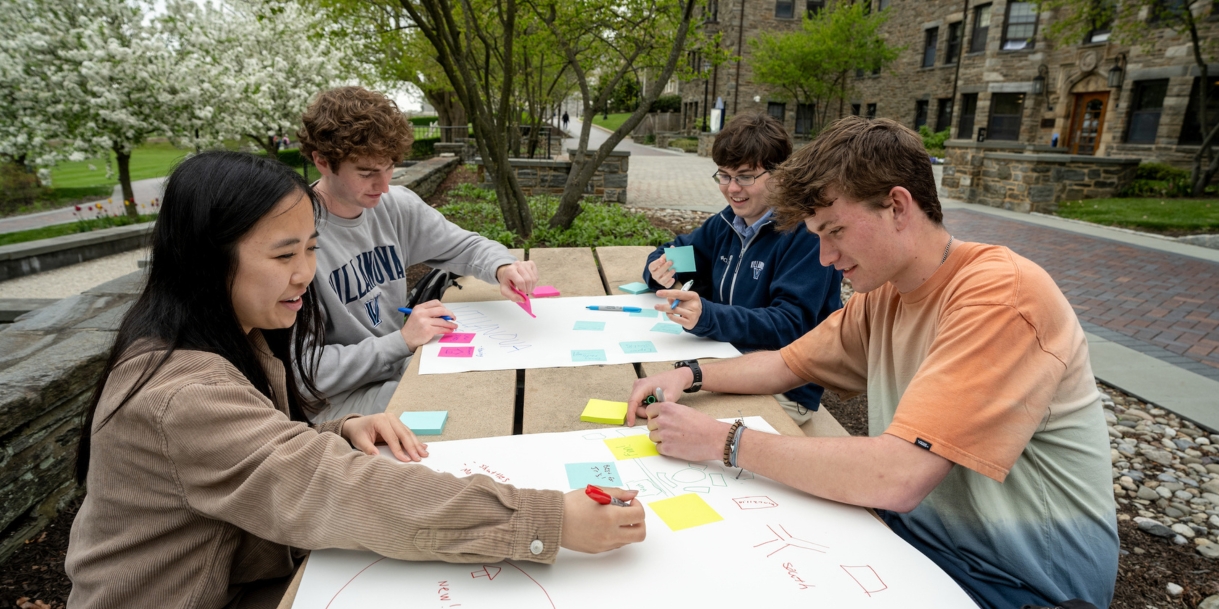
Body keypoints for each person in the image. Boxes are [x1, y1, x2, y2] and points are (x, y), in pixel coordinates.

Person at [66, 151, 644, 609]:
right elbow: (333, 488)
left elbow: (268, 447)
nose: (304, 275)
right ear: (206, 259)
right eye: (283, 255)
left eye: (312, 249)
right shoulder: (182, 393)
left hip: (242, 569)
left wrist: (340, 430)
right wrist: (548, 520)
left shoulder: (233, 335)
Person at [627, 117, 1117, 608]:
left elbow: (897, 477)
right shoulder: (885, 292)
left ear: (897, 206)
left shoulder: (1000, 298)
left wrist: (723, 440)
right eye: (817, 234)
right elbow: (787, 365)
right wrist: (688, 374)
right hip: (914, 547)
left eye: (835, 230)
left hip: (1015, 585)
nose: (823, 257)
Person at [298, 86, 539, 420]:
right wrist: (401, 341)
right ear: (322, 161)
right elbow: (302, 374)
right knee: (468, 408)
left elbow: (464, 245)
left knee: (493, 384)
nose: (382, 186)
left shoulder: (394, 205)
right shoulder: (294, 237)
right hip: (339, 404)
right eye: (367, 173)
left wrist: (502, 267)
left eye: (389, 168)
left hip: (398, 367)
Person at [641, 112, 841, 426]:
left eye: (745, 176)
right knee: (649, 394)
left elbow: (790, 325)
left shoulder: (805, 234)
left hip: (788, 389)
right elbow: (678, 253)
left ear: (780, 174)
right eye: (724, 175)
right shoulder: (728, 224)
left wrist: (709, 317)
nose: (732, 188)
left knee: (665, 417)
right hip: (727, 360)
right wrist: (660, 269)